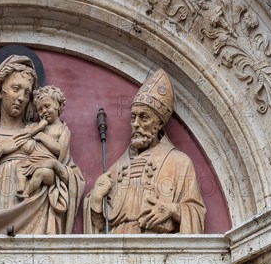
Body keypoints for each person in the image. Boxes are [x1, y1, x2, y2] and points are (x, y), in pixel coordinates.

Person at [0, 55, 85, 234]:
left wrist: (53, 167)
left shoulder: (40, 131)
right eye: (15, 88)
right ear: (0, 90)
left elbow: (71, 176)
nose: (21, 97)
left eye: (27, 93)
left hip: (36, 212)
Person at [84, 69, 206, 234]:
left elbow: (195, 210)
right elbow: (99, 225)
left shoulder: (179, 162)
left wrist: (172, 209)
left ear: (159, 124)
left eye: (144, 117)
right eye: (133, 117)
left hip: (156, 248)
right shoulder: (116, 169)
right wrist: (96, 198)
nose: (135, 124)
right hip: (117, 244)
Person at [15, 85, 70, 199]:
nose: (44, 111)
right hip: (32, 160)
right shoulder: (37, 126)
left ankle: (27, 191)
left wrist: (41, 136)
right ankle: (21, 185)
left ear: (57, 105)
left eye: (47, 106)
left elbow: (60, 150)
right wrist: (39, 128)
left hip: (48, 168)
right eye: (39, 109)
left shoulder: (62, 129)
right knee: (19, 166)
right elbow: (24, 137)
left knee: (40, 173)